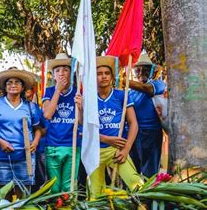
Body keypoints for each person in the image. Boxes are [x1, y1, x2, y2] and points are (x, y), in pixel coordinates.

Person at [86, 56, 143, 197]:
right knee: (96, 194)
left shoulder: (121, 96)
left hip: (117, 150)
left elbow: (133, 123)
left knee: (136, 184)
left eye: (107, 73)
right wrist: (106, 139)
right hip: (95, 151)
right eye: (99, 74)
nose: (103, 77)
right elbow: (83, 131)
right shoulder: (89, 98)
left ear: (112, 77)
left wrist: (126, 148)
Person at [0, 69, 42, 197]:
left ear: (22, 87)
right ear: (5, 86)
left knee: (24, 195)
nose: (13, 85)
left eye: (17, 83)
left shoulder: (30, 107)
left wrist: (36, 142)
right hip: (2, 157)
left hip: (25, 158)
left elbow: (38, 129)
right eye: (9, 82)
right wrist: (1, 142)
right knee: (5, 195)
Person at [42, 53, 81, 193]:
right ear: (52, 76)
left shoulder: (78, 93)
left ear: (71, 73)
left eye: (65, 69)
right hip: (52, 145)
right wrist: (57, 90)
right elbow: (47, 114)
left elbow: (82, 121)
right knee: (54, 186)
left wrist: (80, 107)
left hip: (73, 145)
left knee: (69, 186)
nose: (61, 73)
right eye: (57, 70)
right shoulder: (49, 91)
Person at [128, 54, 166, 177]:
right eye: (138, 70)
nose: (141, 73)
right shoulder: (130, 93)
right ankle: (136, 195)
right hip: (133, 134)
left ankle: (148, 196)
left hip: (151, 133)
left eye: (145, 69)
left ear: (151, 71)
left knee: (149, 172)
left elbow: (147, 89)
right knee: (133, 169)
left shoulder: (157, 84)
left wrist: (123, 81)